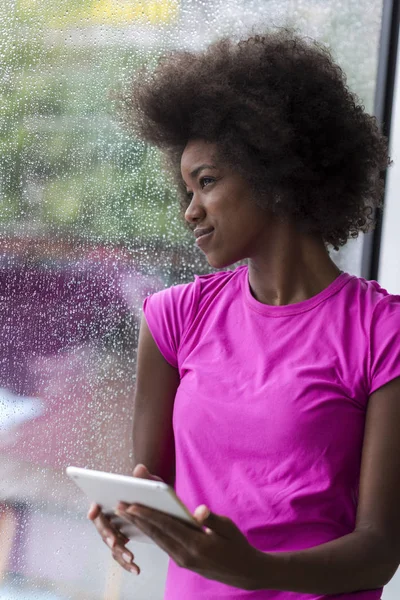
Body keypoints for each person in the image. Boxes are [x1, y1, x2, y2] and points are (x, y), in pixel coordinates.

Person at [87, 30, 400, 599]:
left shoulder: (383, 332)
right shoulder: (172, 320)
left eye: (206, 182)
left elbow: (379, 550)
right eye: (185, 189)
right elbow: (158, 491)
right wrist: (128, 514)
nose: (190, 211)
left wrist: (258, 571)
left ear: (273, 170)